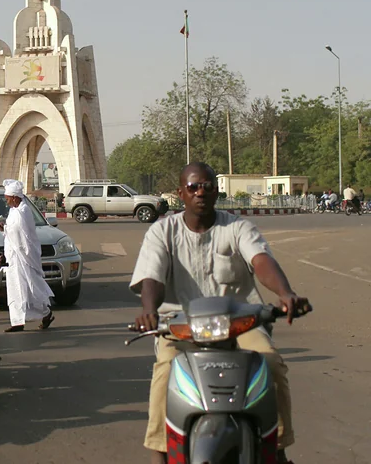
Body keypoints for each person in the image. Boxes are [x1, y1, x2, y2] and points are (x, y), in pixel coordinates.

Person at [130, 162, 310, 464]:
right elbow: (152, 277)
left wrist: (285, 293)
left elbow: (261, 260)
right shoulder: (162, 232)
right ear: (181, 194)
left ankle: (277, 448)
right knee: (166, 370)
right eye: (193, 187)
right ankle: (160, 451)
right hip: (180, 326)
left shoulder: (237, 227)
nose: (201, 192)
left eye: (208, 186)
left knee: (271, 365)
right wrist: (149, 312)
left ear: (217, 191)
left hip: (240, 323)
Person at [0, 180, 54, 332]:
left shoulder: (24, 211)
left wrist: (6, 230)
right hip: (14, 257)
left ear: (15, 197)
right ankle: (17, 322)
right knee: (15, 288)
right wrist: (5, 230)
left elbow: (22, 235)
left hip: (24, 257)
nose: (6, 200)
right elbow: (13, 232)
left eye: (7, 197)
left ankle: (46, 313)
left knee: (30, 287)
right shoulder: (14, 211)